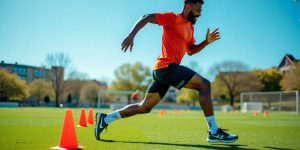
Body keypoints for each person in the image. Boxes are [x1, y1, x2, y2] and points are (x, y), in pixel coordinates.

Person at [95, 0, 238, 143]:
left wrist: (206, 42)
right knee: (204, 85)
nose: (199, 14)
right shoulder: (173, 18)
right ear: (188, 6)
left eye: (200, 11)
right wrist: (132, 35)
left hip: (162, 71)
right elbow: (146, 17)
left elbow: (190, 51)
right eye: (197, 10)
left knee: (144, 107)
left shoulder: (190, 27)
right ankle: (213, 131)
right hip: (166, 67)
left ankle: (105, 119)